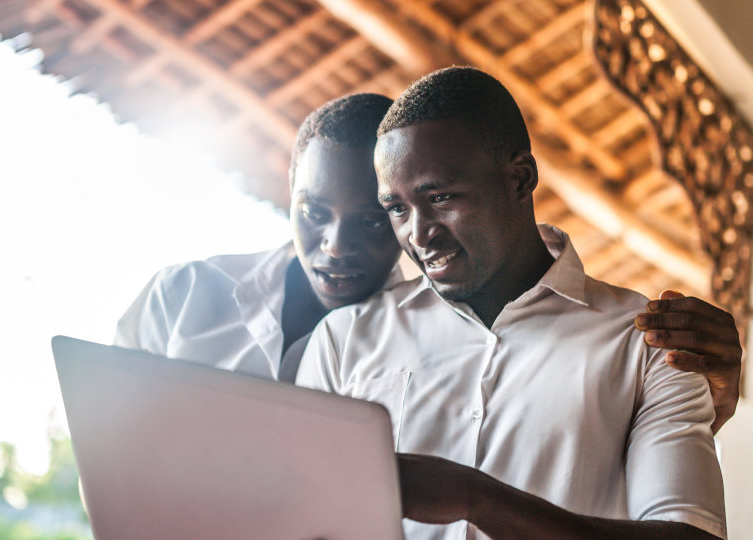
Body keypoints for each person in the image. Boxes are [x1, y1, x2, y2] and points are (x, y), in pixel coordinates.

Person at [295, 67, 728, 539]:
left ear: (520, 179)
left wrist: (473, 498)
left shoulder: (648, 343)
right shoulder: (344, 340)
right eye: (397, 208)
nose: (417, 234)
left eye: (439, 197)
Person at [114, 93, 402, 382]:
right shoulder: (181, 296)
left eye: (371, 221)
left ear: (408, 216)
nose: (336, 246)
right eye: (314, 213)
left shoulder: (418, 346)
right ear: (291, 189)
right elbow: (110, 416)